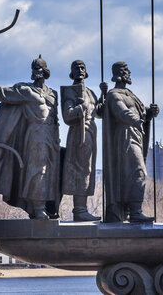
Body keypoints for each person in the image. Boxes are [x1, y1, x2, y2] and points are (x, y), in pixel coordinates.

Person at [0, 55, 61, 219]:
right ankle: (38, 208)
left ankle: (46, 206)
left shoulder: (53, 94)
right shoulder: (26, 91)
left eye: (39, 69)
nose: (36, 72)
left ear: (45, 72)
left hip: (51, 136)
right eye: (34, 69)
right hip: (36, 134)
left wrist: (57, 138)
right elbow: (3, 93)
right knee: (38, 170)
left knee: (51, 172)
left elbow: (56, 119)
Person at [102, 62, 159, 223]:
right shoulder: (114, 94)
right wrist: (137, 120)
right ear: (119, 73)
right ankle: (135, 211)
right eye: (126, 71)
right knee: (138, 171)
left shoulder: (131, 94)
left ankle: (131, 210)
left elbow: (141, 113)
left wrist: (150, 112)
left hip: (137, 135)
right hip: (125, 136)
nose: (129, 73)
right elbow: (121, 111)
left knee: (133, 172)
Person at [60, 60, 107, 221]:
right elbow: (67, 116)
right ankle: (79, 211)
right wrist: (80, 108)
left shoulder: (90, 93)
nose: (80, 70)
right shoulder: (70, 92)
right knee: (81, 169)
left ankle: (82, 208)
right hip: (79, 133)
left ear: (86, 72)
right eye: (76, 68)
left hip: (91, 132)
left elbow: (99, 113)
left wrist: (103, 94)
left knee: (88, 170)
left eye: (82, 67)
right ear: (71, 73)